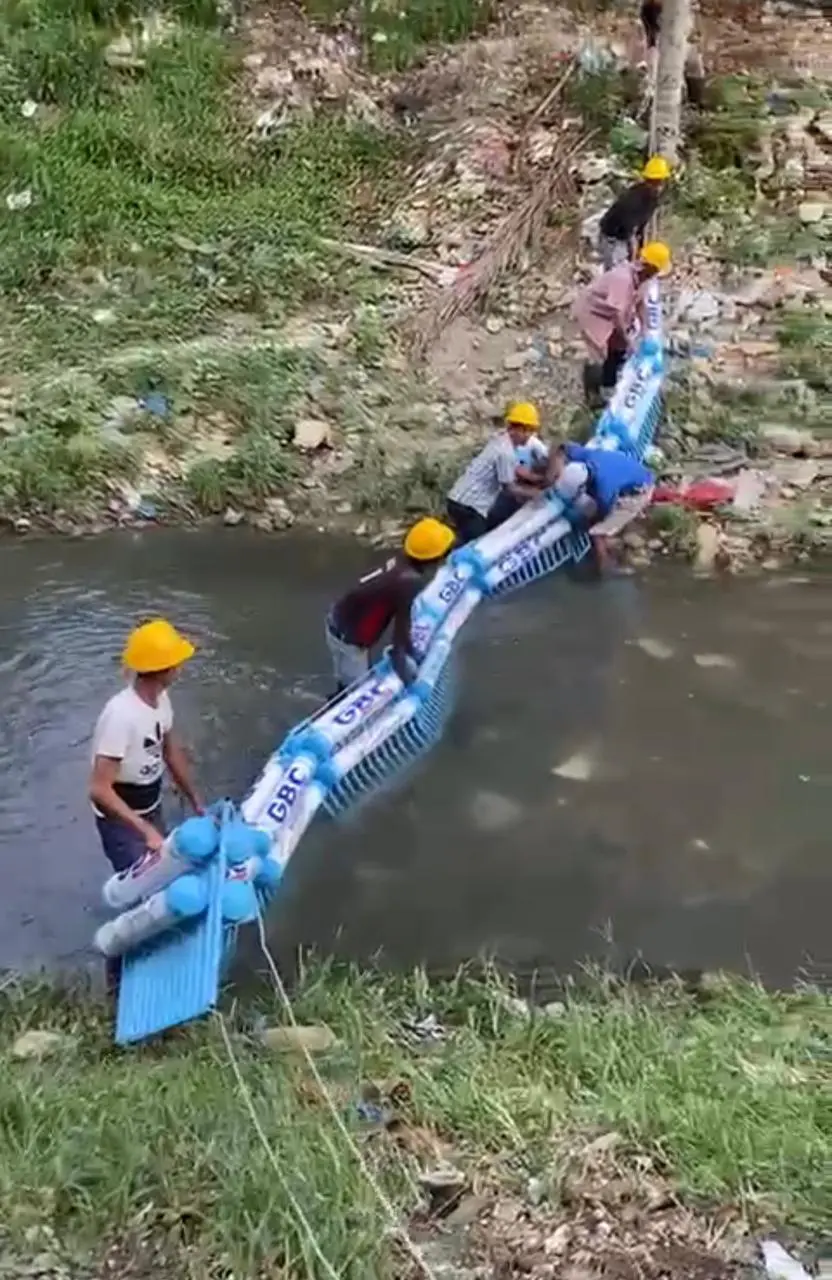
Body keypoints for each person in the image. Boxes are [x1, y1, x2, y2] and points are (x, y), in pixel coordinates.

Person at [90, 619, 203, 872]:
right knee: (144, 883)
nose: (180, 667)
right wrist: (145, 830)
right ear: (163, 669)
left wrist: (195, 800)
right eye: (176, 663)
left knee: (165, 865)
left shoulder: (161, 700)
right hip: (120, 821)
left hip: (150, 806)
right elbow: (99, 789)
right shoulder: (120, 716)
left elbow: (170, 752)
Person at [325, 516, 455, 694]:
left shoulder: (401, 562)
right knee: (356, 691)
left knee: (346, 679)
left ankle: (338, 693)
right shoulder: (408, 582)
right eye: (446, 553)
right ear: (435, 558)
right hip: (349, 639)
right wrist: (411, 685)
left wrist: (411, 650)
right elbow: (398, 643)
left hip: (339, 620)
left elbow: (404, 617)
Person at [573, 240, 671, 406]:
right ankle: (593, 394)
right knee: (599, 351)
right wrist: (628, 340)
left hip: (614, 310)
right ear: (650, 267)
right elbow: (617, 314)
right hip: (595, 312)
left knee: (619, 348)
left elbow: (641, 304)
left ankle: (611, 379)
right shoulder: (622, 279)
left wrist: (646, 330)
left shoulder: (645, 279)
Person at [546, 442, 655, 575]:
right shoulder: (587, 456)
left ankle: (605, 568)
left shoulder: (605, 488)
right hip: (628, 472)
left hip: (640, 491)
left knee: (598, 531)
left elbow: (602, 511)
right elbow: (560, 447)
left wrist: (590, 519)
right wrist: (551, 475)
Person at [446, 402, 543, 544]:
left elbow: (516, 469)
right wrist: (537, 494)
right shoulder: (505, 452)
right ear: (516, 429)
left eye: (531, 431)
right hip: (470, 506)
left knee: (465, 537)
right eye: (527, 431)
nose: (529, 436)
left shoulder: (501, 439)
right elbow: (510, 489)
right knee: (477, 544)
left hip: (457, 499)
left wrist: (540, 479)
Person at [597, 155, 670, 270]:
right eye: (656, 182)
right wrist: (633, 252)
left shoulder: (652, 198)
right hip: (612, 237)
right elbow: (627, 226)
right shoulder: (633, 198)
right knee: (617, 273)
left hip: (624, 236)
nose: (659, 185)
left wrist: (640, 248)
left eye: (660, 182)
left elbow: (642, 225)